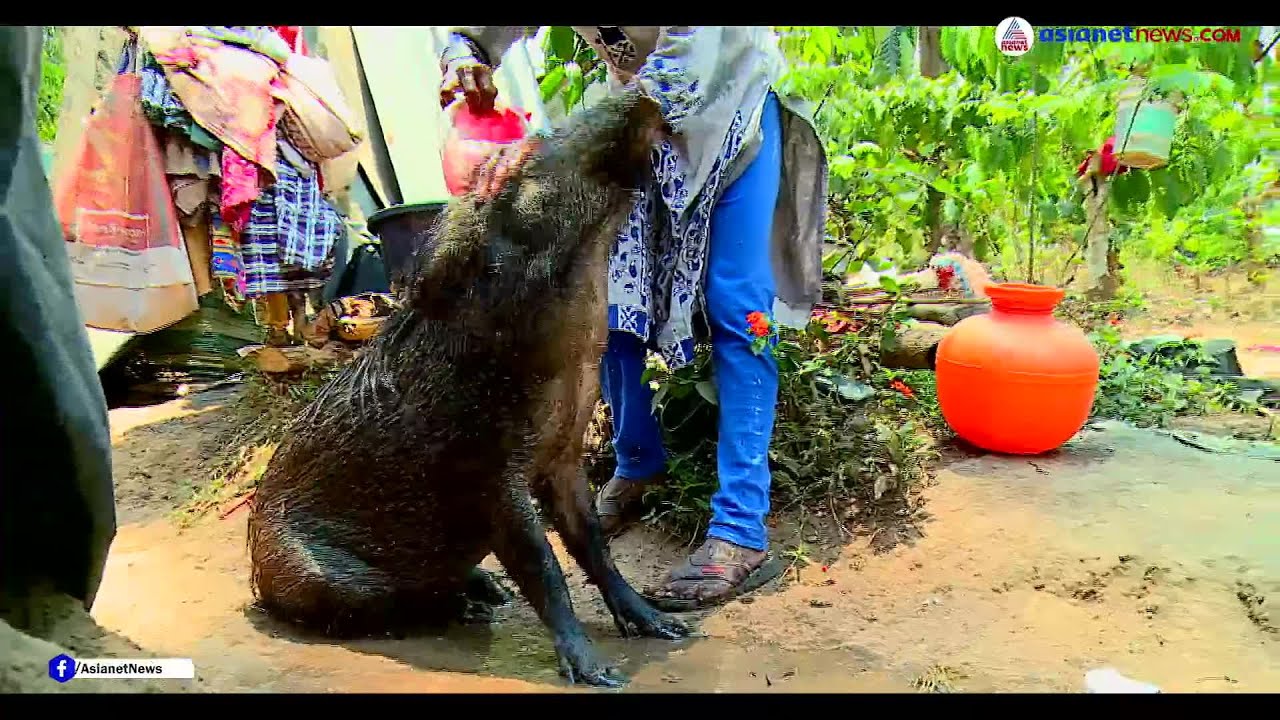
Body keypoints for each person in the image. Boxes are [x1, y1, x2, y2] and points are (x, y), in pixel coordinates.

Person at [439, 27, 827, 610]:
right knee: (615, 305)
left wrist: (551, 145)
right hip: (637, 124)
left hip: (728, 113)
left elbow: (676, 79)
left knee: (738, 313)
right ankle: (638, 465)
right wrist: (466, 54)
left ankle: (742, 528)